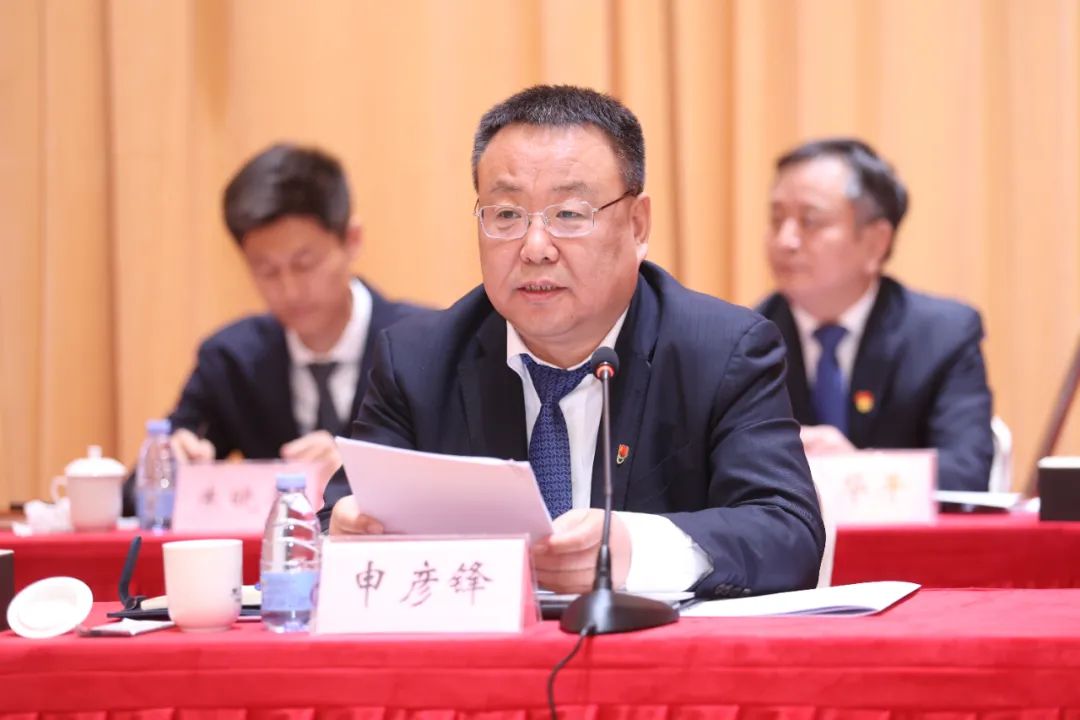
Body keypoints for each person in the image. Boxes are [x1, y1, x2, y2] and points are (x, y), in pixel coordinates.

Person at [322, 85, 823, 598]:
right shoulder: (417, 362)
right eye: (506, 215)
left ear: (637, 225)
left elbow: (788, 534)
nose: (535, 248)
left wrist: (632, 550)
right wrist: (347, 531)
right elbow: (333, 520)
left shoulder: (722, 352)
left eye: (568, 214)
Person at [123, 143, 425, 513]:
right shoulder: (232, 359)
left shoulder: (422, 346)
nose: (289, 290)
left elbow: (455, 480)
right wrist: (170, 469)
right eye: (266, 271)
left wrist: (358, 473)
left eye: (304, 264)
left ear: (352, 239)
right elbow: (132, 497)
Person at [756, 137, 994, 491]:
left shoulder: (943, 335)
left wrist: (858, 468)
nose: (785, 241)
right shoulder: (745, 340)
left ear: (875, 243)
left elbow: (966, 471)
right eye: (777, 220)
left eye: (810, 221)